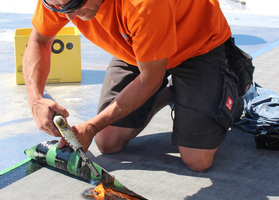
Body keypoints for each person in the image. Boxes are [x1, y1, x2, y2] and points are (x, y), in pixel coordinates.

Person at [23, 0, 237, 172]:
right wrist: (35, 100)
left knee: (197, 160)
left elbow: (149, 80)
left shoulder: (143, 4)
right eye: (58, 7)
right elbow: (39, 41)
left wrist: (91, 126)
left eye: (73, 5)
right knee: (107, 142)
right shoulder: (60, 1)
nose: (68, 16)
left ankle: (231, 88)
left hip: (198, 46)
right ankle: (171, 93)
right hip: (138, 52)